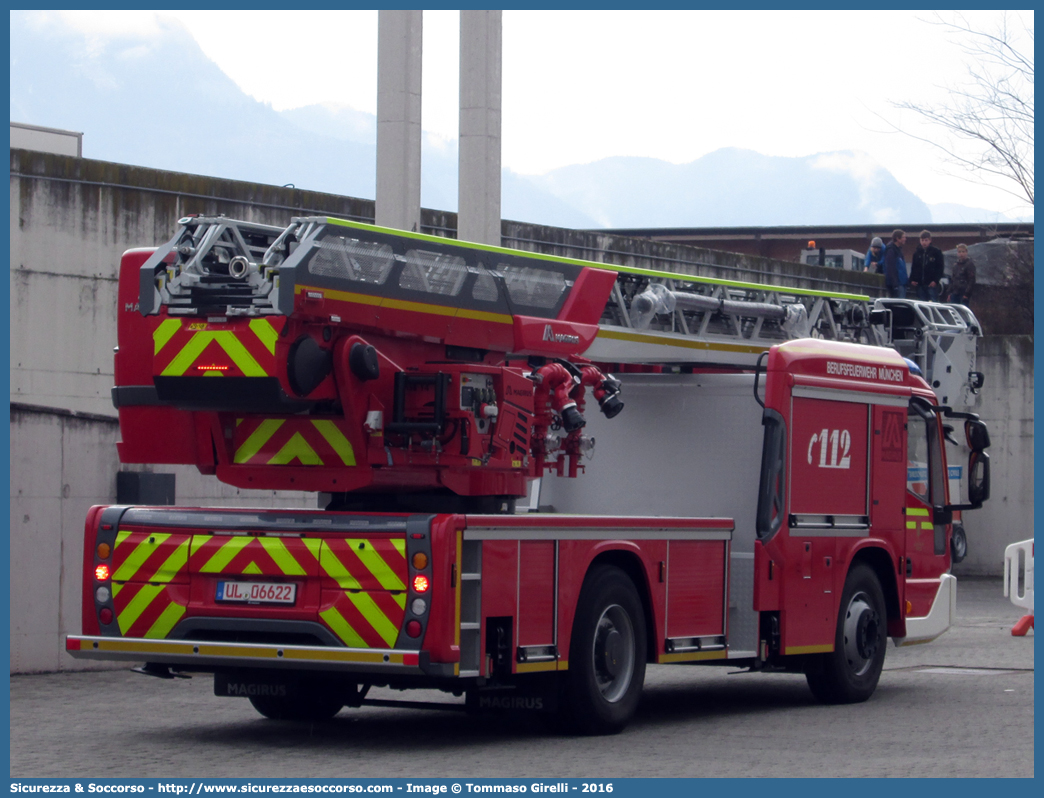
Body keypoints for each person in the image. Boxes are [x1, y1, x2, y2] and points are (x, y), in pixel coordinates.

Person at [910, 229, 945, 302]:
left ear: (930, 240)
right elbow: (914, 267)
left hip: (931, 283)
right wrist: (912, 279)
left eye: (926, 240)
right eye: (922, 240)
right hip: (920, 284)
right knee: (921, 303)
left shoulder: (936, 252)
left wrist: (936, 280)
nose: (924, 242)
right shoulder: (917, 253)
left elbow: (940, 267)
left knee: (934, 302)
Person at [883, 229, 908, 298]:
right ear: (898, 238)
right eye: (903, 237)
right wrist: (895, 284)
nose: (905, 239)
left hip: (902, 283)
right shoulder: (891, 250)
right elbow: (890, 268)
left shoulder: (899, 250)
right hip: (897, 284)